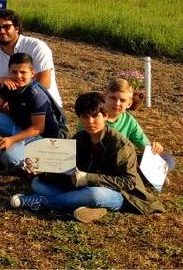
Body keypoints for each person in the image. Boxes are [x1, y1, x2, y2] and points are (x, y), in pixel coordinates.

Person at [10, 92, 165, 223]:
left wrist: (88, 178)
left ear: (105, 116)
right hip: (82, 187)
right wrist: (41, 170)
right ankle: (87, 206)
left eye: (95, 116)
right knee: (38, 184)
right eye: (84, 117)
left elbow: (128, 182)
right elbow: (64, 168)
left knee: (94, 194)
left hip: (120, 194)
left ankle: (43, 202)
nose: (90, 122)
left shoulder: (121, 145)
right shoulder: (79, 138)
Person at [0, 52, 66, 171]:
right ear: (9, 71)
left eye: (23, 72)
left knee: (10, 157)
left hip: (42, 137)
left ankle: (33, 161)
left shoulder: (36, 94)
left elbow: (38, 128)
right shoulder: (9, 85)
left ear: (32, 74)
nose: (18, 76)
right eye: (14, 72)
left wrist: (12, 139)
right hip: (21, 128)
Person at [0, 9, 63, 107]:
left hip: (42, 106)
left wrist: (16, 104)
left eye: (6, 26)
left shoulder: (37, 46)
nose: (2, 31)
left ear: (17, 28)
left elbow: (44, 82)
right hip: (11, 106)